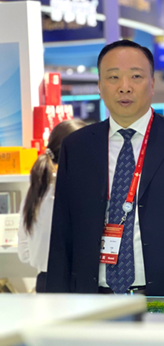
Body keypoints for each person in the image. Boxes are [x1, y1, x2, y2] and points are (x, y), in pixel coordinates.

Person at [46, 40, 164, 296]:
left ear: (152, 84)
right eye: (113, 77)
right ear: (100, 86)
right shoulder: (77, 146)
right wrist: (57, 304)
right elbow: (62, 234)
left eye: (136, 76)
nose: (125, 87)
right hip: (93, 298)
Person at [18, 119, 86, 293]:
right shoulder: (77, 189)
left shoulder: (36, 190)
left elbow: (24, 253)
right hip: (75, 284)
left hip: (45, 283)